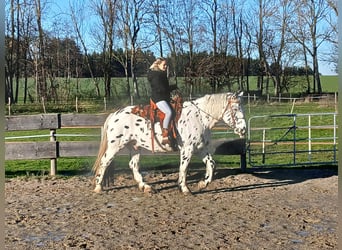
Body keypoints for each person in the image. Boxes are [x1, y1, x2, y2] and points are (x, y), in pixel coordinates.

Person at [147, 57, 177, 146]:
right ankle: (165, 134)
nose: (166, 66)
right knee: (168, 112)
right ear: (158, 64)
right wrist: (170, 89)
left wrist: (173, 87)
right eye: (164, 65)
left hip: (163, 97)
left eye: (166, 65)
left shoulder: (160, 74)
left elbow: (164, 88)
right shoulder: (157, 75)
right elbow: (160, 89)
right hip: (158, 99)